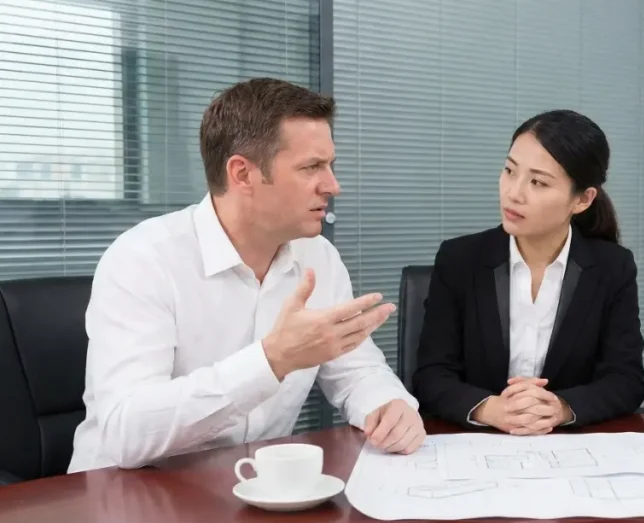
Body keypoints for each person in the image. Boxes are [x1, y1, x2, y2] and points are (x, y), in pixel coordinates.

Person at [68, 78, 426, 472]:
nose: (333, 186)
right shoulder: (142, 260)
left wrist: (390, 405)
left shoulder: (318, 257)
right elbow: (127, 432)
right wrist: (272, 359)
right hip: (122, 498)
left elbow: (356, 371)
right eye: (311, 167)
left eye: (330, 165)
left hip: (249, 490)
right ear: (242, 174)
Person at [412, 109, 644, 434]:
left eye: (537, 182)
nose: (514, 192)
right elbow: (431, 376)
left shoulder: (612, 268)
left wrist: (562, 408)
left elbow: (626, 381)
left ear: (582, 199)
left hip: (568, 450)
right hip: (475, 447)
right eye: (510, 171)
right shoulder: (460, 260)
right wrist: (491, 409)